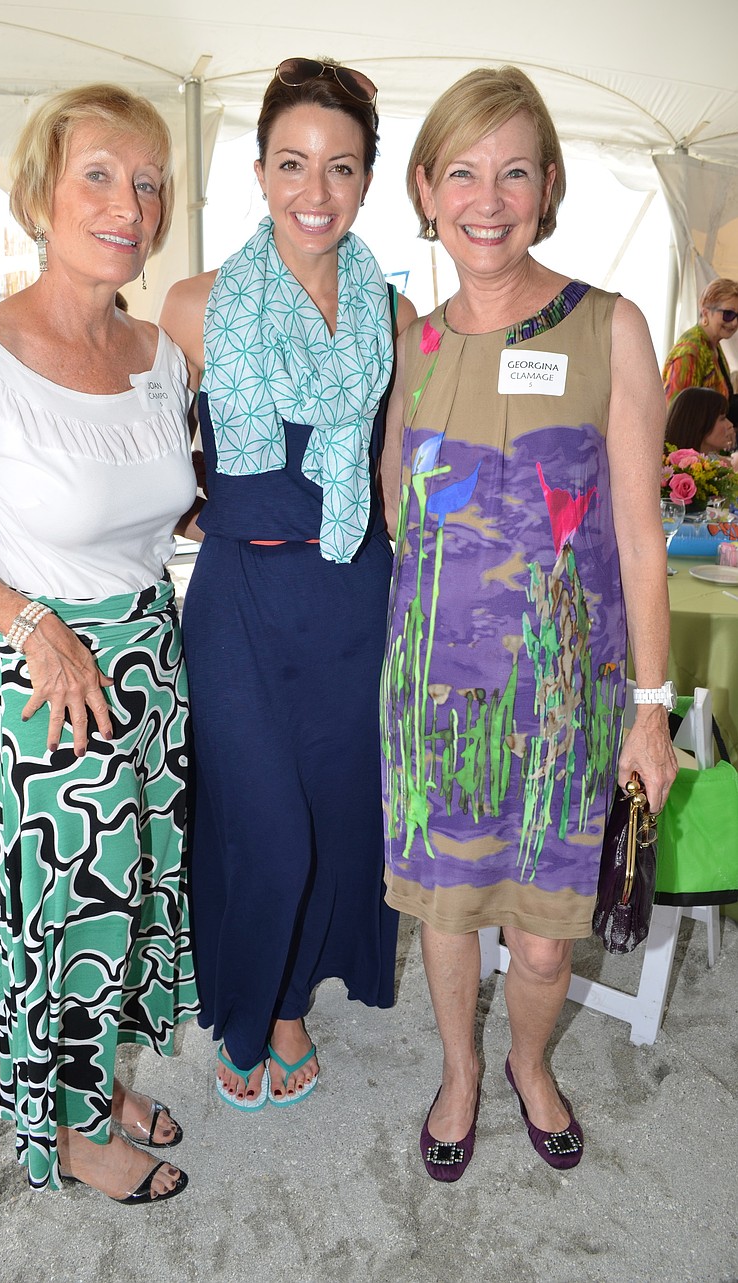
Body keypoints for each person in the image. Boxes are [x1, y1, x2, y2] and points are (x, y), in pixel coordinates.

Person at [0, 84, 198, 1203]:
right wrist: (32, 624)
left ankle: (105, 1081)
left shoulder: (159, 352)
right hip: (52, 668)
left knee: (140, 894)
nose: (129, 203)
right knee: (75, 906)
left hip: (152, 661)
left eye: (149, 181)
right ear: (40, 193)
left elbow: (158, 508)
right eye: (100, 175)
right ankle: (68, 1131)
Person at [379, 65, 677, 1181]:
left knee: (547, 929)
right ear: (425, 188)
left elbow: (643, 538)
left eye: (513, 171)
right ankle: (458, 1070)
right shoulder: (412, 343)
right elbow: (391, 507)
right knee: (450, 913)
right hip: (437, 697)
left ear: (547, 185)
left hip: (570, 699)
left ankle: (527, 1061)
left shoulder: (611, 327)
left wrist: (650, 712)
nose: (487, 197)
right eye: (461, 171)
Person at [161, 57, 415, 1109]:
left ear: (366, 181)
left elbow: (392, 476)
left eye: (341, 167)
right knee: (259, 818)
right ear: (259, 171)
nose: (316, 192)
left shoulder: (394, 317)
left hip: (355, 596)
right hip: (239, 603)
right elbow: (149, 458)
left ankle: (287, 1001)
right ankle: (245, 996)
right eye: (293, 164)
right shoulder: (192, 304)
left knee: (334, 811)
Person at [662, 278, 738, 405]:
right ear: (706, 312)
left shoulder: (713, 344)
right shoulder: (690, 352)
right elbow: (675, 412)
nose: (734, 323)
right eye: (728, 314)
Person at [664, 385, 735, 456]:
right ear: (699, 423)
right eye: (722, 419)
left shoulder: (715, 460)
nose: (730, 424)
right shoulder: (672, 464)